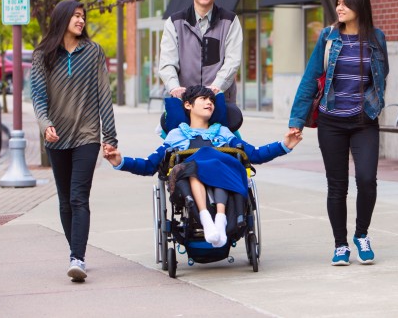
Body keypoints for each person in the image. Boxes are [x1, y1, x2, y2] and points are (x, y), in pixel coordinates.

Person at [103, 85, 301, 247]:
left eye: (212, 100)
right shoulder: (176, 136)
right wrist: (120, 162)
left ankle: (220, 220)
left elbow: (254, 154)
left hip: (223, 178)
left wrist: (285, 145)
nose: (209, 103)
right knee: (196, 166)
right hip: (191, 181)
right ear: (188, 105)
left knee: (214, 161)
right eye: (203, 99)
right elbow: (149, 165)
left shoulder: (223, 133)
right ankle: (208, 220)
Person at [289, 0, 389, 266]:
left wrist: (373, 103)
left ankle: (361, 235)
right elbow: (311, 77)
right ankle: (341, 244)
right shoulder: (328, 37)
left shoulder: (377, 38)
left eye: (346, 3)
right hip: (331, 120)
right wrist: (296, 121)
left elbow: (381, 76)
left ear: (361, 7)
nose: (340, 8)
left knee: (367, 180)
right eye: (338, 3)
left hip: (364, 120)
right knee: (337, 185)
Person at [30, 0, 118, 282]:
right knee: (65, 200)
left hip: (86, 136)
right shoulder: (43, 54)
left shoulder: (93, 52)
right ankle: (75, 250)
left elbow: (104, 95)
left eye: (83, 16)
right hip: (56, 137)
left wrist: (110, 137)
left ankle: (77, 258)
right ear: (62, 19)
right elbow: (38, 96)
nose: (81, 21)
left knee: (79, 197)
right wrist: (45, 125)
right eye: (76, 16)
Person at [159, 0, 243, 102]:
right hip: (185, 101)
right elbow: (167, 62)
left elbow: (232, 61)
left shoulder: (230, 21)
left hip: (219, 100)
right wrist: (174, 88)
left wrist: (217, 86)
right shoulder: (174, 22)